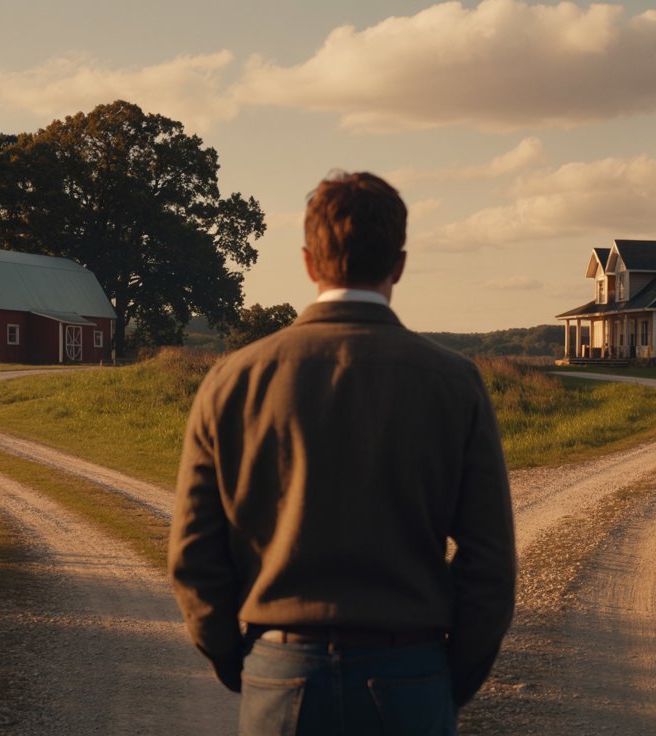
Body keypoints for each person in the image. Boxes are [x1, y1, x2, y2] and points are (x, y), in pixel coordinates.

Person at [169, 171, 516, 735]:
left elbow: (193, 554)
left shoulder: (233, 380)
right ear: (398, 265)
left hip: (280, 664)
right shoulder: (454, 383)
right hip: (411, 669)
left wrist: (244, 664)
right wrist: (450, 678)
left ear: (309, 263)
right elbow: (491, 564)